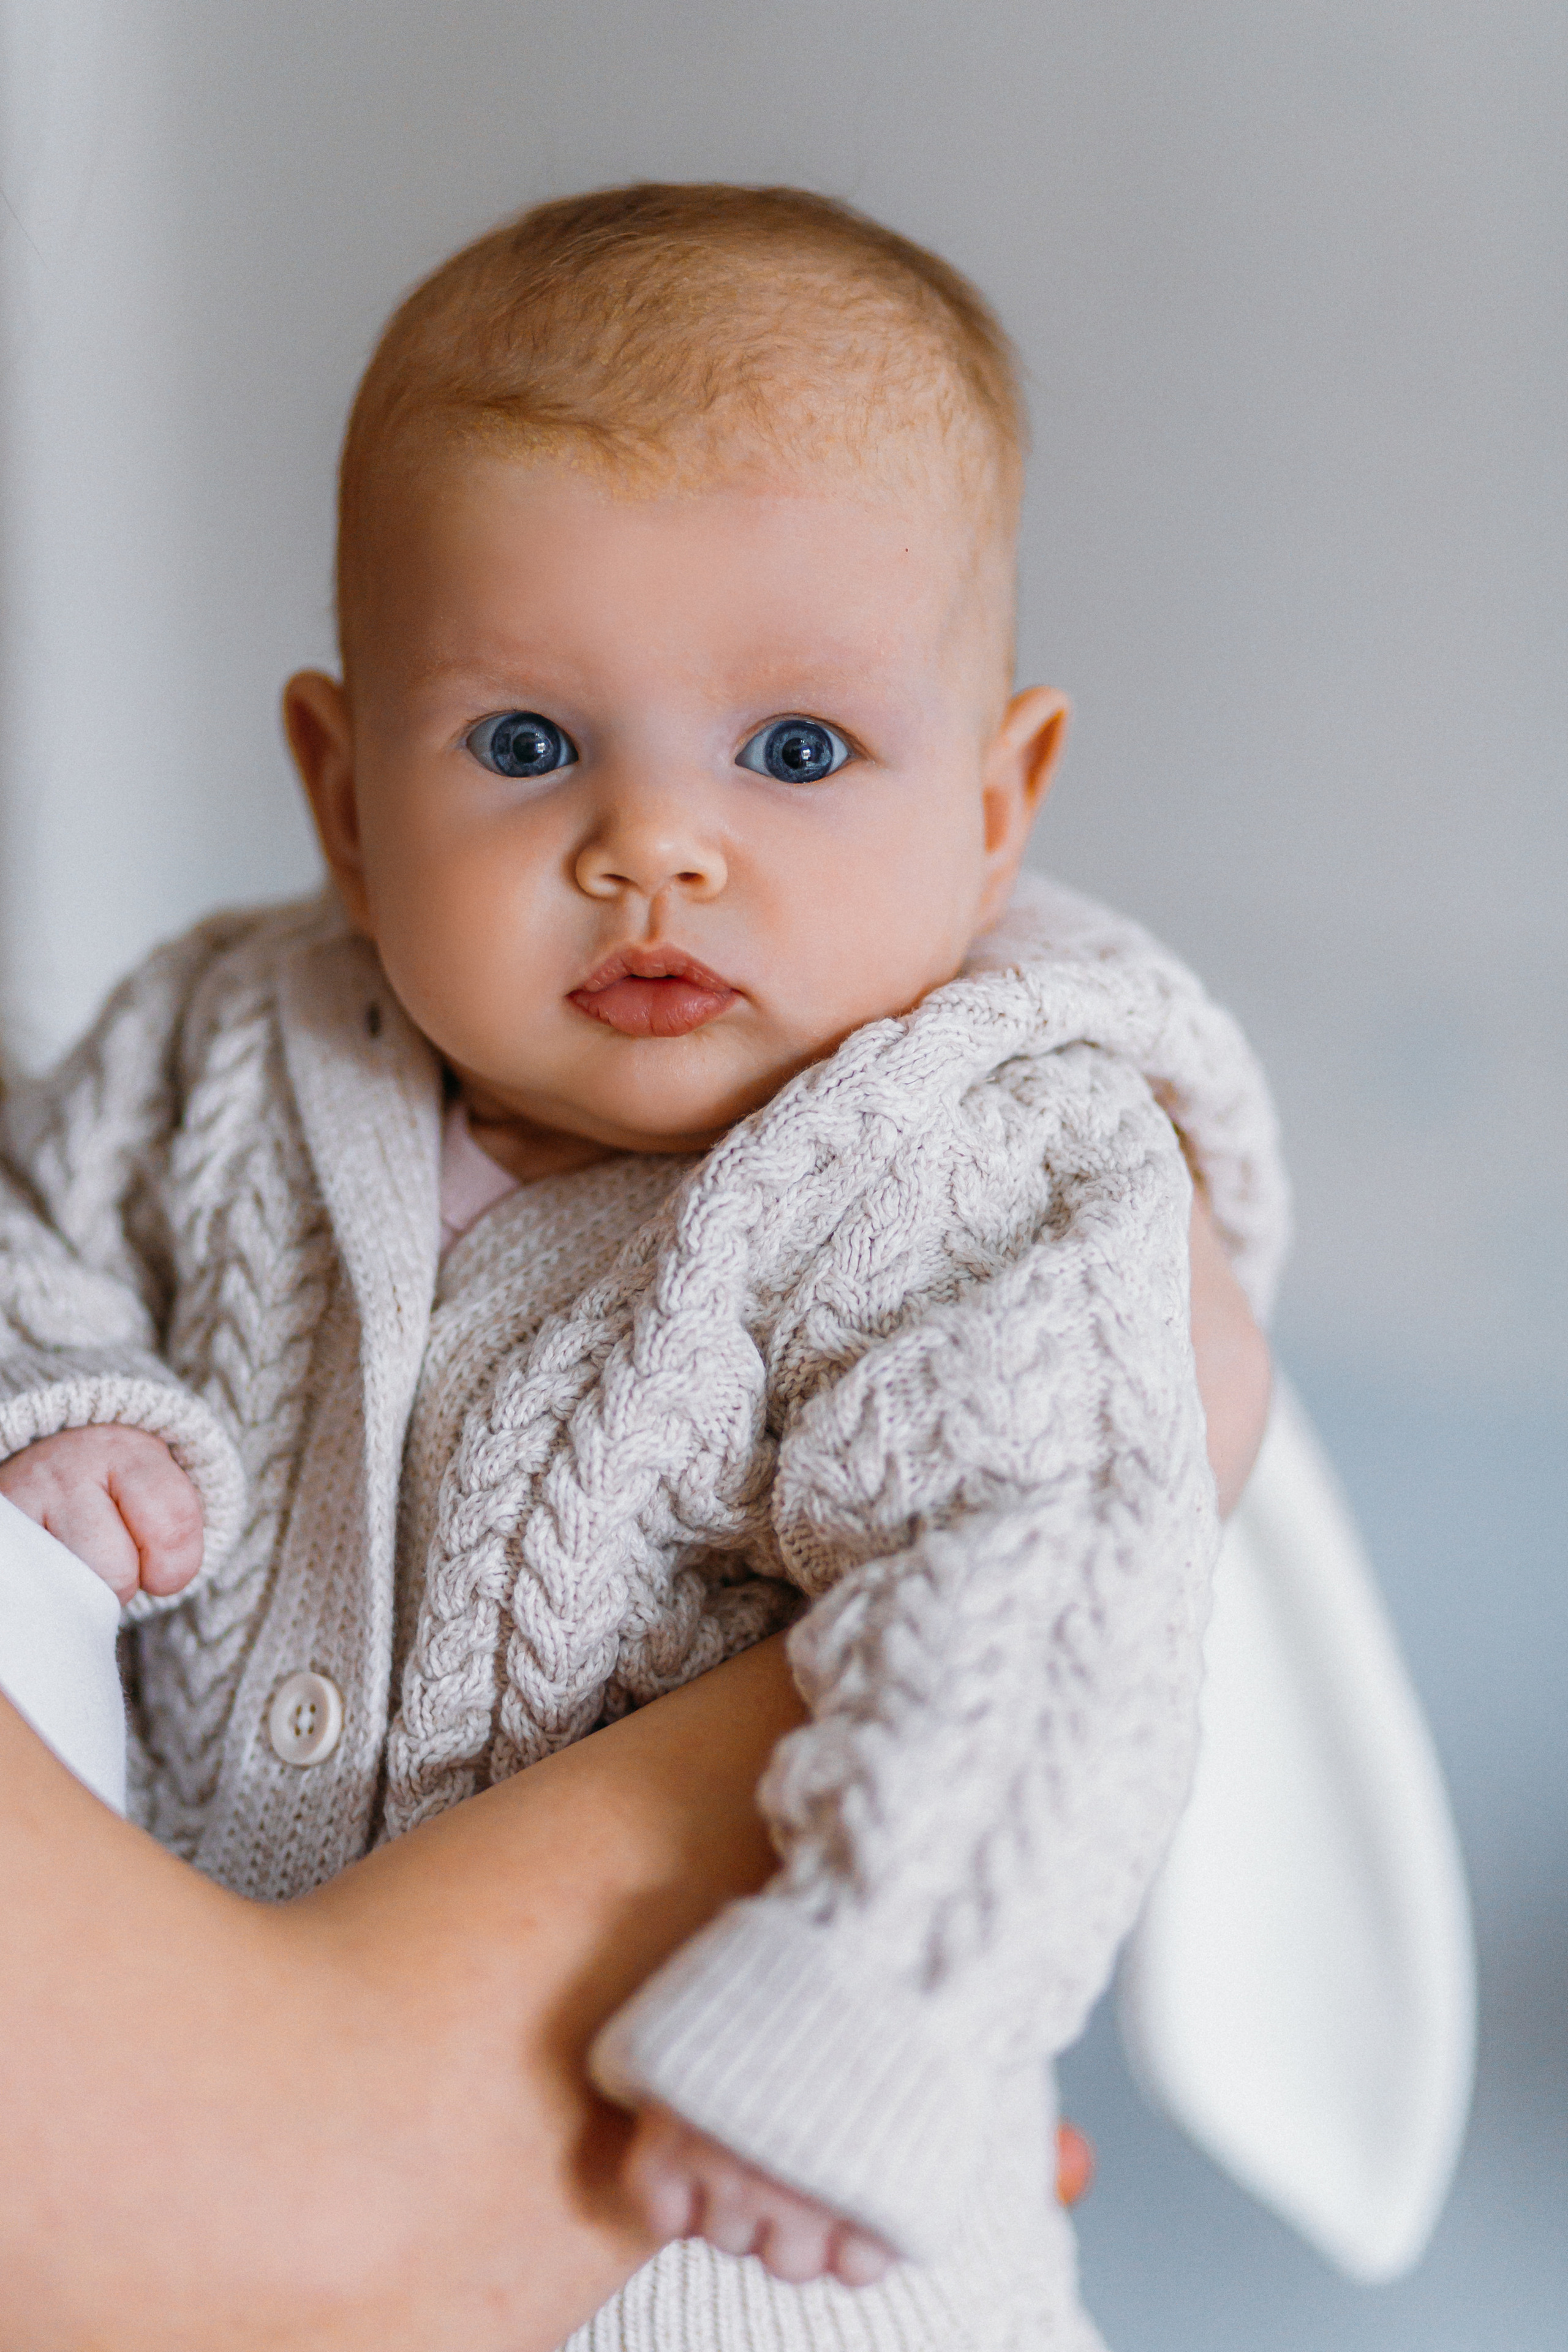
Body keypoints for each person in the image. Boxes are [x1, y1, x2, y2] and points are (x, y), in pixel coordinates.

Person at [0, 183, 1281, 2348]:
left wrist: (865, 2017)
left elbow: (1045, 1608)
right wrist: (69, 1390)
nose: (653, 848)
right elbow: (26, 1217)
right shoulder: (222, 1036)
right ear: (338, 789)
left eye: (796, 753)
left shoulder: (981, 1172)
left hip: (756, 2246)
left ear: (996, 801)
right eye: (523, 746)